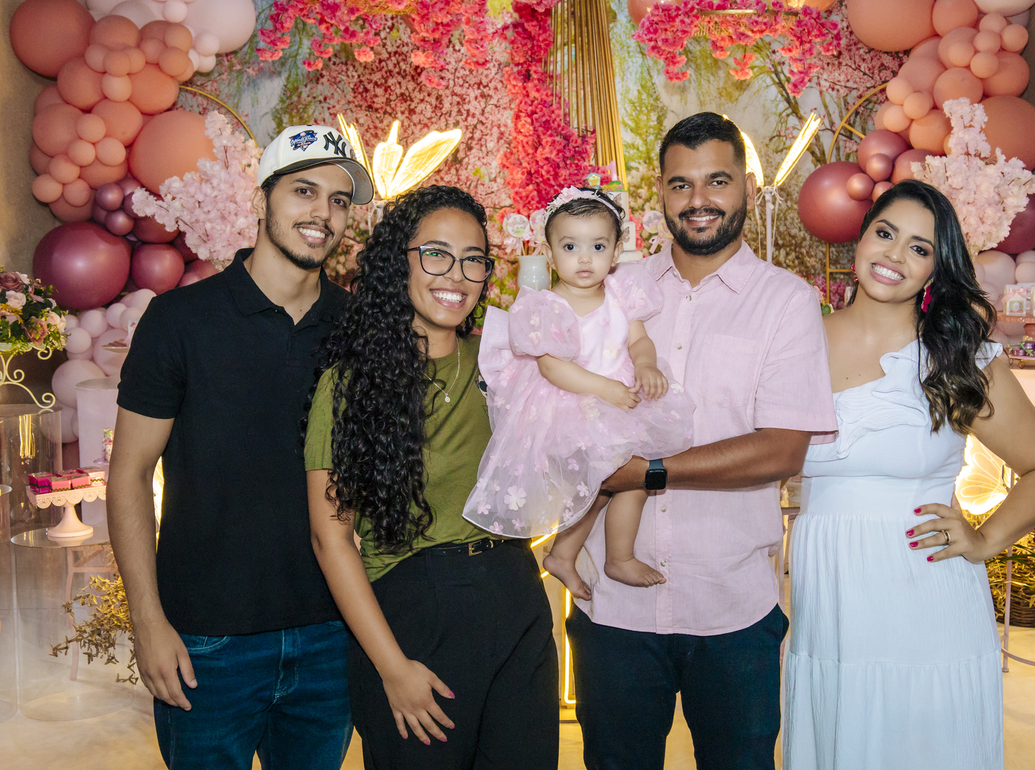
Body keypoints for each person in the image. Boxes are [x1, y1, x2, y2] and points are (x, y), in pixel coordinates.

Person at [566, 112, 840, 770]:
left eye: (717, 180)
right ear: (659, 191)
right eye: (681, 184)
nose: (699, 199)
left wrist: (648, 471)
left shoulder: (786, 301)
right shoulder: (614, 291)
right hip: (614, 612)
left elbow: (782, 450)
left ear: (746, 185)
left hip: (732, 611)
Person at [783, 179, 1035, 769]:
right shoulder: (796, 342)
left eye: (919, 248)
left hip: (926, 596)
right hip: (830, 600)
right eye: (886, 233)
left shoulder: (956, 358)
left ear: (936, 269)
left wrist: (986, 538)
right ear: (861, 237)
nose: (894, 255)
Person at [108, 124, 374, 769]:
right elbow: (129, 475)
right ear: (262, 199)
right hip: (205, 641)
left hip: (329, 637)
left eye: (339, 200)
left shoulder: (358, 328)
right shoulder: (179, 321)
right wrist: (148, 622)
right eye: (304, 191)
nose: (323, 212)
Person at [305, 185, 558, 769]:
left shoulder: (504, 361)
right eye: (437, 254)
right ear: (400, 262)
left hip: (515, 596)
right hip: (413, 615)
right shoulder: (349, 384)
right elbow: (329, 538)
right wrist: (391, 667)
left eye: (473, 259)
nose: (457, 276)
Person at [463, 186, 694, 595]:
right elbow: (552, 367)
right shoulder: (547, 305)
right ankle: (584, 555)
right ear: (550, 254)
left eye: (597, 246)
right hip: (570, 405)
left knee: (636, 478)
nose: (584, 259)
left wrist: (646, 365)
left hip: (617, 401)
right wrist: (604, 388)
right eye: (570, 247)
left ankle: (598, 556)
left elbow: (639, 340)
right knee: (599, 482)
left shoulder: (621, 295)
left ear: (616, 251)